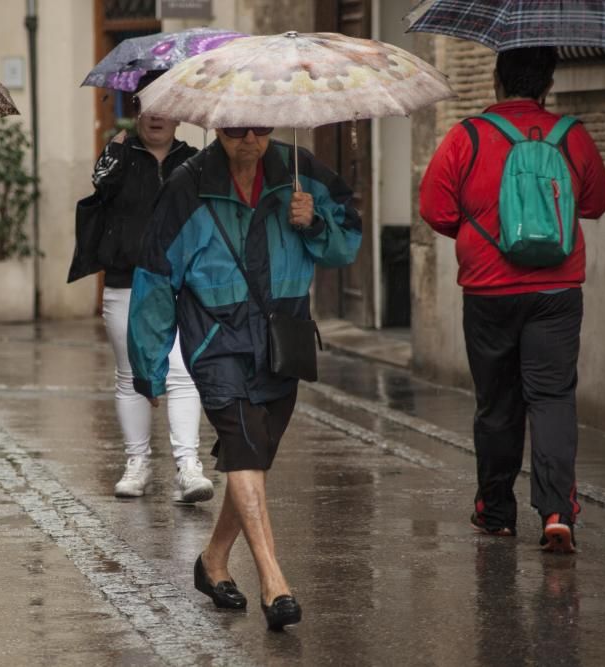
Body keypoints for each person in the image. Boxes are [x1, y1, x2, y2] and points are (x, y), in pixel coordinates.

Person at [128, 128, 361, 630]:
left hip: (283, 340)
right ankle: (273, 581)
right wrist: (149, 367)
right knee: (245, 446)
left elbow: (347, 245)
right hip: (216, 343)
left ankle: (212, 561)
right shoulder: (186, 186)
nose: (249, 139)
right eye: (236, 129)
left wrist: (315, 222)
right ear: (217, 128)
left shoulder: (303, 174)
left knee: (250, 458)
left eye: (259, 128)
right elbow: (154, 277)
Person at [420, 47, 605, 553]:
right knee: (551, 399)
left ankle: (496, 512)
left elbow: (435, 209)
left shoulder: (467, 136)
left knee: (497, 403)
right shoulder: (572, 135)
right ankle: (556, 512)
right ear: (548, 83)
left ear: (496, 81)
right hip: (557, 288)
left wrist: (478, 229)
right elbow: (595, 203)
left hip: (487, 288)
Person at [91, 72, 213, 502]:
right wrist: (120, 151)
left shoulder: (197, 161)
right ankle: (137, 462)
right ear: (136, 110)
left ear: (178, 113)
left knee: (180, 373)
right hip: (126, 282)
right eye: (147, 105)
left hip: (181, 286)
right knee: (132, 376)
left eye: (167, 105)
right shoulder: (119, 155)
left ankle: (188, 467)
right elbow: (99, 186)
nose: (157, 115)